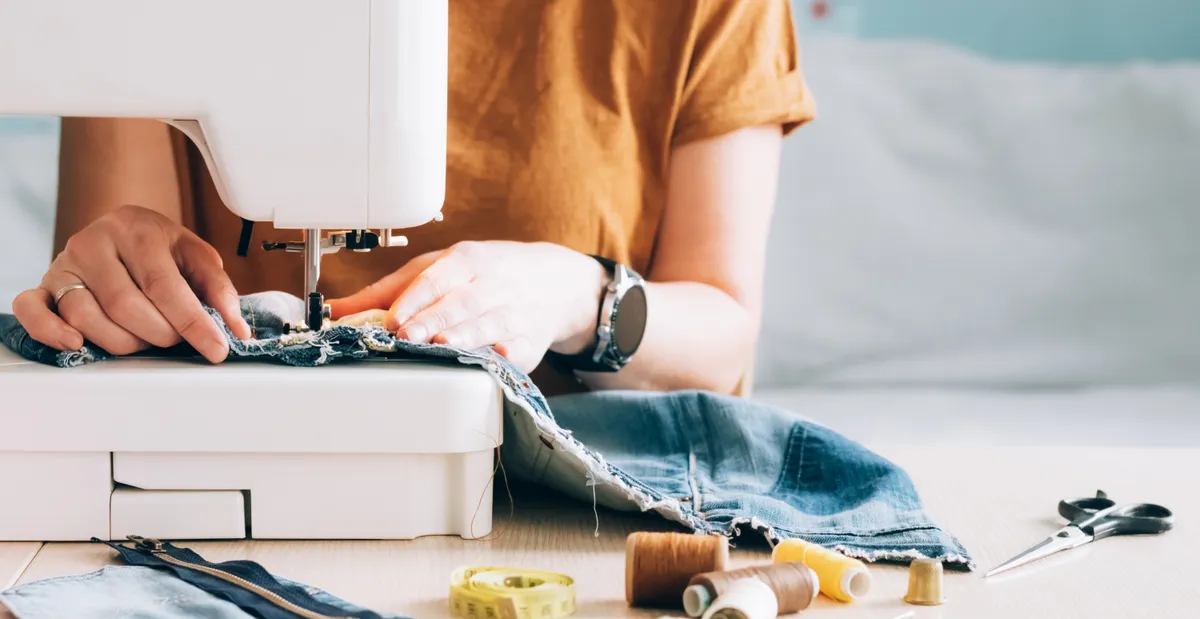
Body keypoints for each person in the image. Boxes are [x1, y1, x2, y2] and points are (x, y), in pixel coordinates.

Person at [12, 0, 814, 397]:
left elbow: (723, 334)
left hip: (575, 503)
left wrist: (577, 294)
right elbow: (118, 336)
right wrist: (111, 273)